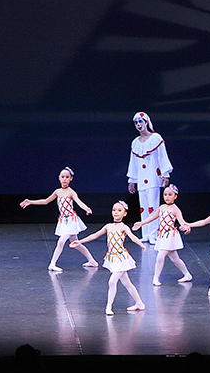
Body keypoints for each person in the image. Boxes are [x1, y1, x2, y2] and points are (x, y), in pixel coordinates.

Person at [70, 201, 146, 314]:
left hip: (121, 259)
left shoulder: (124, 227)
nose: (116, 212)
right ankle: (139, 303)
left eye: (119, 210)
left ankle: (109, 307)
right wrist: (80, 241)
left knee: (112, 281)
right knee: (127, 283)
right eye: (114, 210)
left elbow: (132, 237)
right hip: (113, 258)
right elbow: (95, 235)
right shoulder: (108, 226)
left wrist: (141, 244)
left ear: (125, 213)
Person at [20, 167, 98, 272]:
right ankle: (92, 261)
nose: (65, 179)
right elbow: (46, 201)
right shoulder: (57, 192)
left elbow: (79, 202)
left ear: (71, 179)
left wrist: (86, 208)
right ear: (59, 178)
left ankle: (52, 264)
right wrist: (30, 202)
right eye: (63, 177)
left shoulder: (71, 192)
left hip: (71, 220)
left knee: (61, 241)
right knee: (75, 243)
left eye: (67, 177)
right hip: (64, 221)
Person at [132, 184, 193, 286]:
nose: (167, 197)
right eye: (165, 194)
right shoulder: (162, 207)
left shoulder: (175, 209)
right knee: (175, 258)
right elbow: (152, 217)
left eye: (170, 194)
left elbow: (182, 222)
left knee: (160, 256)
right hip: (163, 235)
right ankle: (187, 274)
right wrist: (141, 223)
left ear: (175, 196)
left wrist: (186, 227)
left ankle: (156, 278)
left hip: (170, 236)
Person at [127, 112, 173, 245]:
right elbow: (133, 162)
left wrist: (165, 173)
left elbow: (162, 156)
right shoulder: (135, 142)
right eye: (136, 122)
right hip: (141, 179)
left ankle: (153, 233)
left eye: (140, 121)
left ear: (146, 122)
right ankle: (145, 234)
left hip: (153, 177)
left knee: (153, 206)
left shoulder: (156, 138)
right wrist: (132, 180)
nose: (138, 125)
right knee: (144, 207)